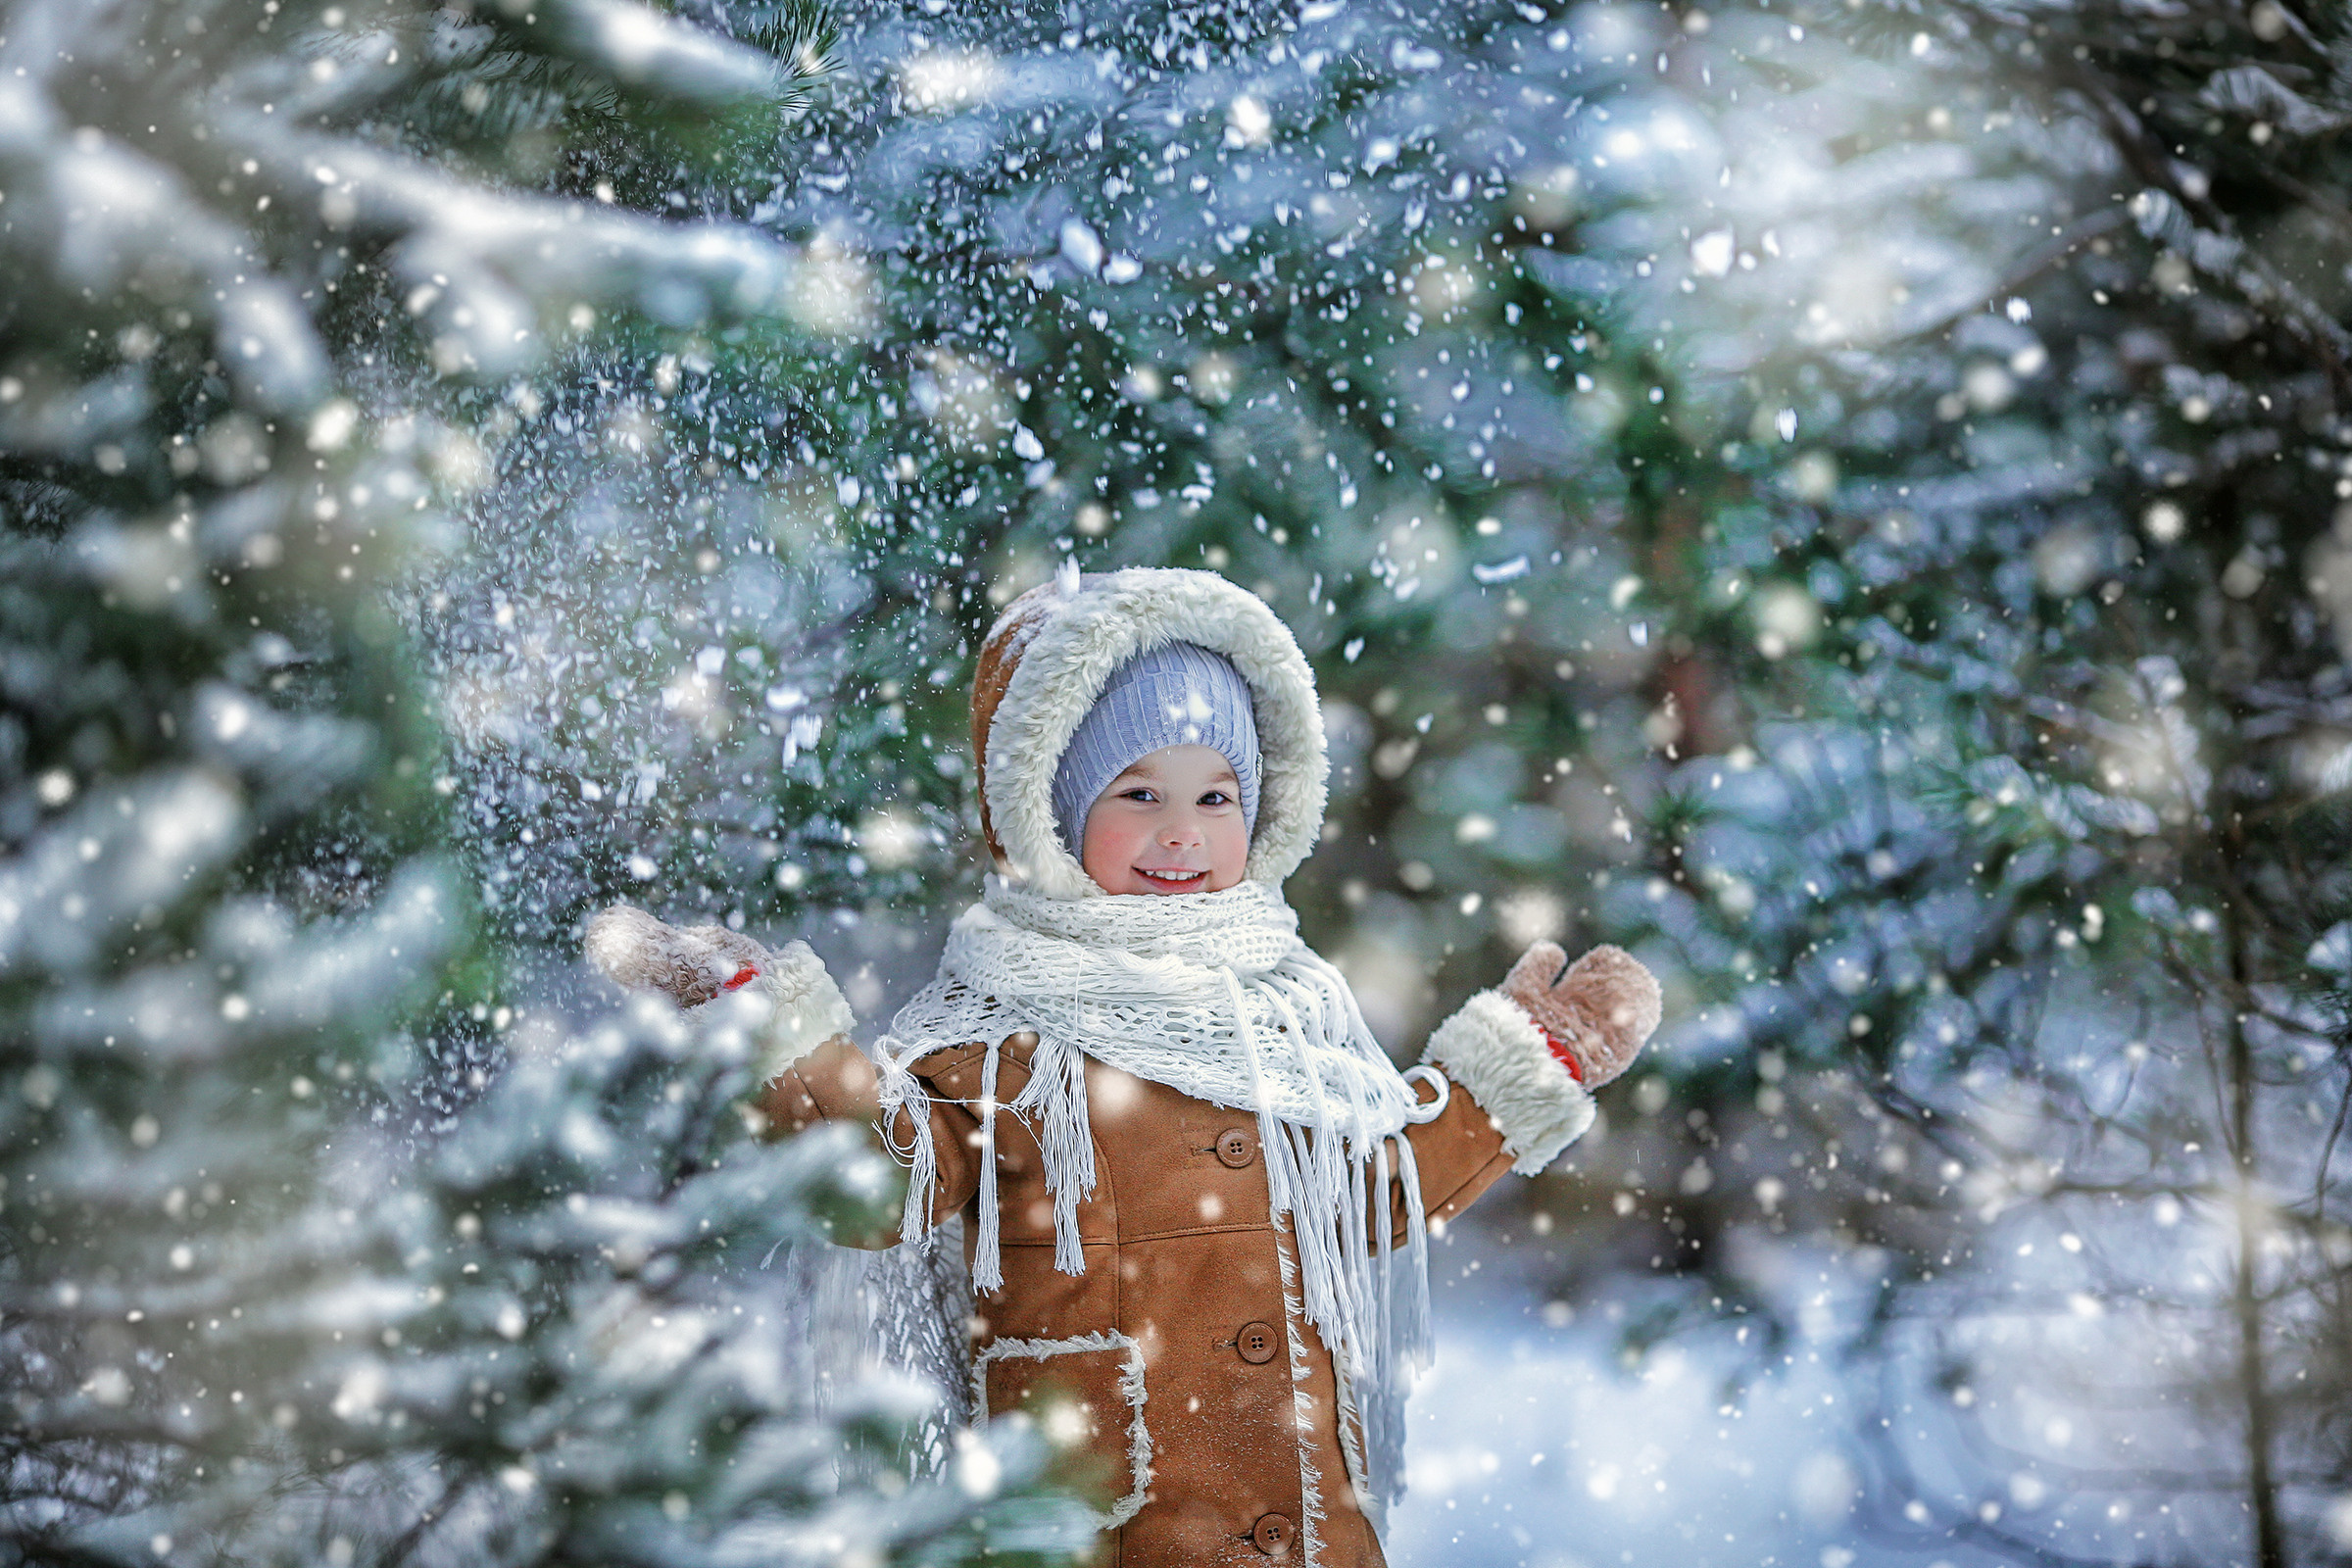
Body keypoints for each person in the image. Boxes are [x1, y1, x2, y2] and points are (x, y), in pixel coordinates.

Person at [586, 566, 1660, 1567]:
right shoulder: (1004, 1042)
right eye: (1139, 794)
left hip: (1308, 1532)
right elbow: (880, 1177)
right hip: (1103, 1531)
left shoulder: (1286, 1023)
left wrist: (1525, 1062)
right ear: (1048, 812)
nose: (1182, 834)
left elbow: (1374, 1184)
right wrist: (765, 1023)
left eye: (1216, 797)